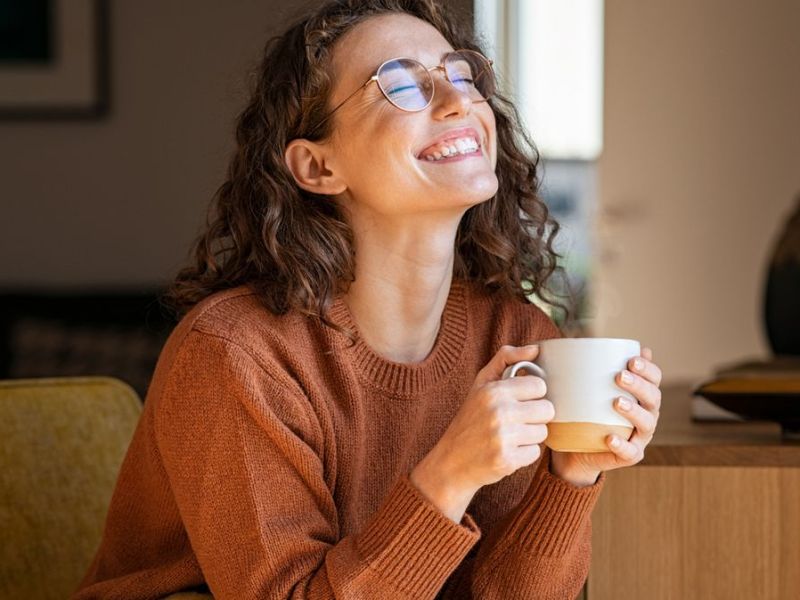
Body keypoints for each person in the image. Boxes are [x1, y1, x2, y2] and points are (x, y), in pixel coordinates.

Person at [75, 0, 663, 598]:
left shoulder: (517, 335)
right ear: (318, 166)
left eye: (461, 74)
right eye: (401, 84)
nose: (458, 100)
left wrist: (572, 474)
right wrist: (448, 474)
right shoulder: (237, 355)